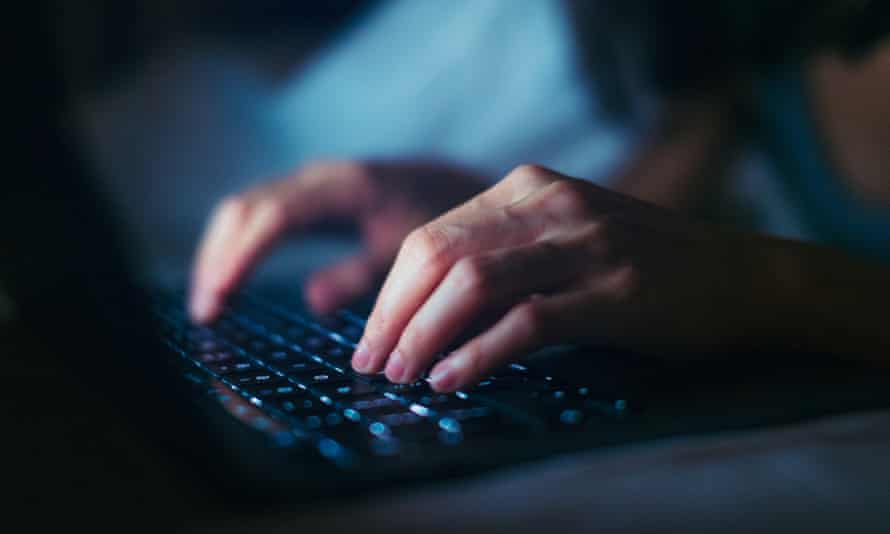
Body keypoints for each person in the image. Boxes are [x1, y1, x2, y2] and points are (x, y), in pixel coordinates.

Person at [189, 1, 890, 393]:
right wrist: (485, 221)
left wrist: (771, 282)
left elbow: (723, 266)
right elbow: (648, 238)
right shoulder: (754, 65)